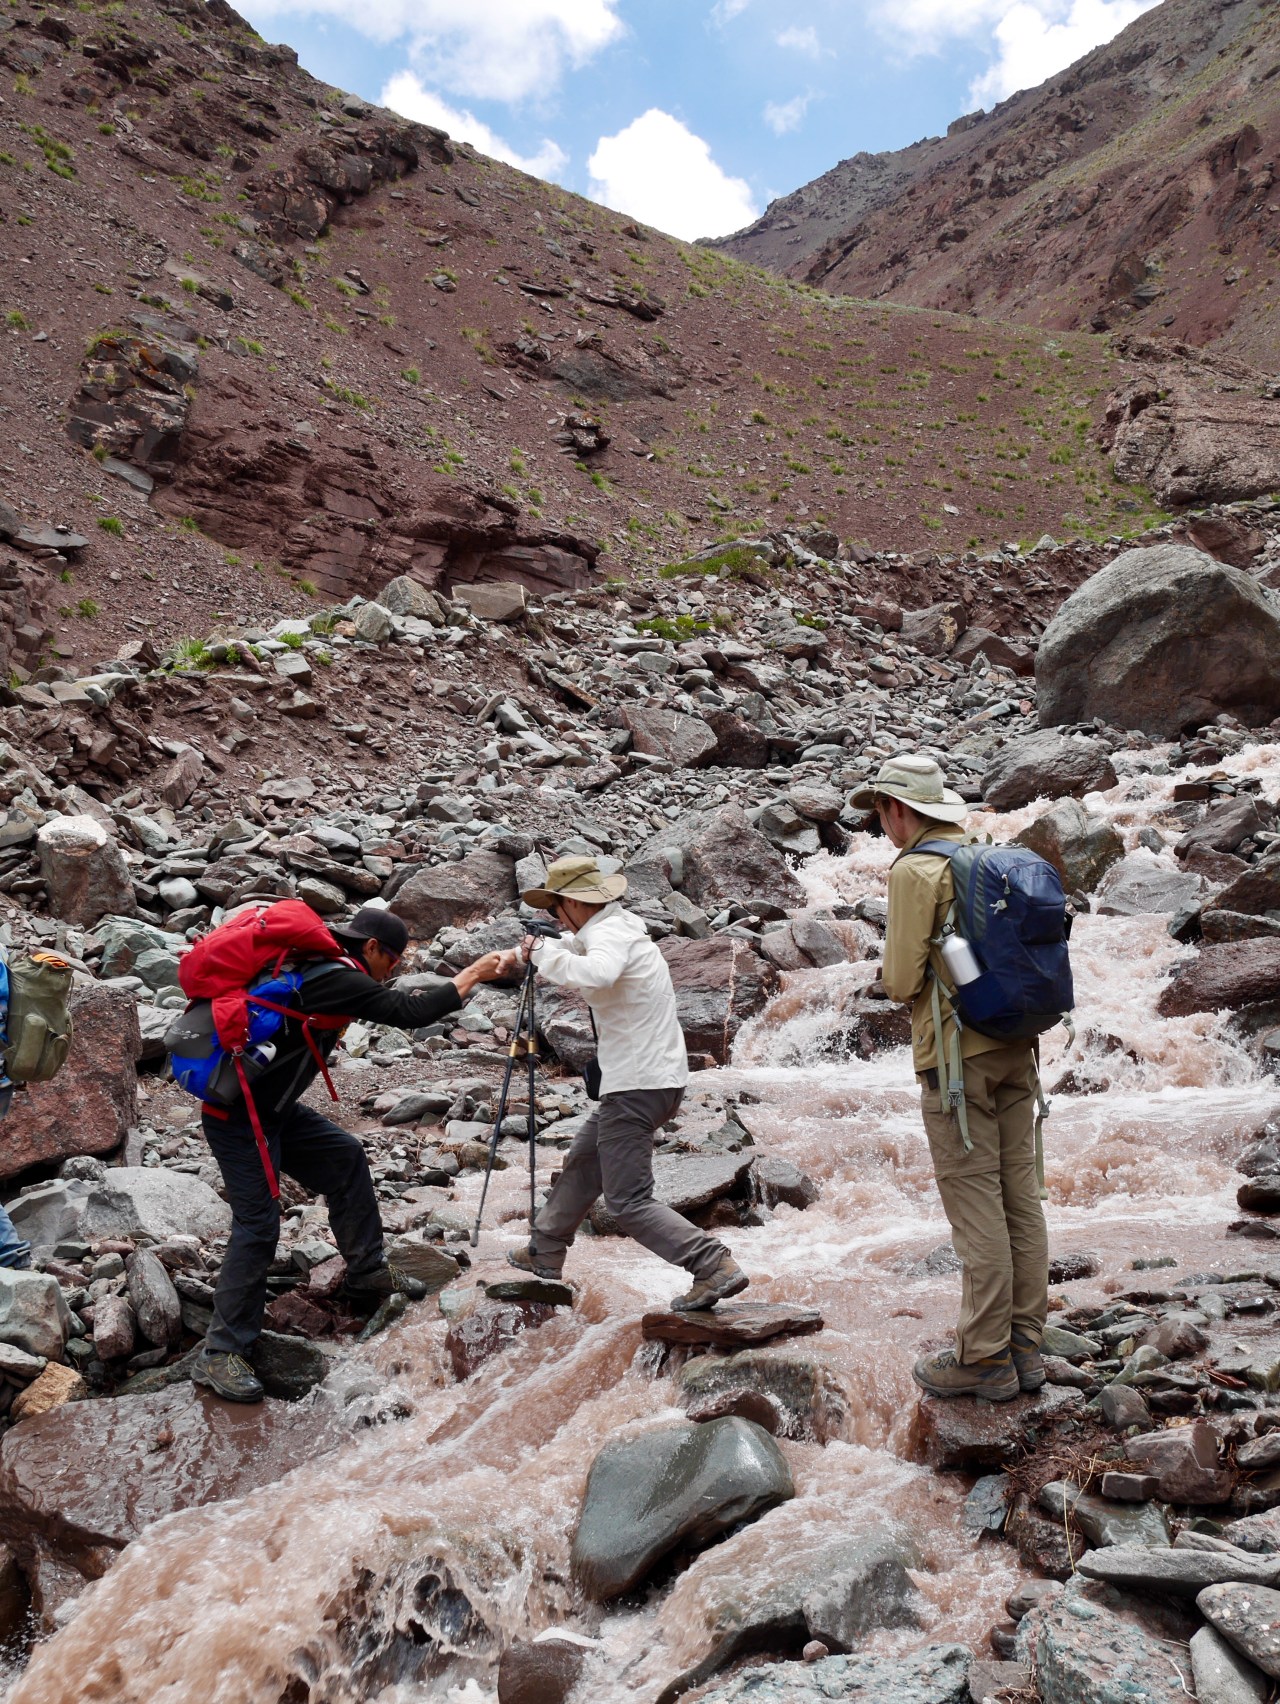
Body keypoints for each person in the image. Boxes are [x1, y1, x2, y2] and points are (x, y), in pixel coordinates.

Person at [193, 906, 508, 1403]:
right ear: (372, 948)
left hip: (272, 1109)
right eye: (393, 962)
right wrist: (474, 973)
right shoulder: (337, 978)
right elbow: (410, 1012)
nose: (391, 973)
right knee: (258, 1225)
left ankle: (366, 1272)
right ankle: (220, 1352)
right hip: (241, 1116)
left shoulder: (320, 969)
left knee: (345, 1158)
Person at [851, 754, 1048, 1403]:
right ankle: (1025, 1346)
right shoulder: (985, 855)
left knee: (976, 1209)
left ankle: (984, 1358)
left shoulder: (915, 870)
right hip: (1017, 1047)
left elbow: (901, 980)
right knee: (1020, 1200)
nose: (881, 824)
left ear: (898, 810)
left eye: (880, 812)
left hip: (959, 1062)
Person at [502, 855, 748, 1311]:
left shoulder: (610, 935)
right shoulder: (616, 929)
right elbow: (582, 952)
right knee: (585, 1159)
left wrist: (541, 954)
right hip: (648, 1081)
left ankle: (712, 1264)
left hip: (638, 1084)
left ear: (575, 903)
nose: (555, 917)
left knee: (627, 1201)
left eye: (556, 907)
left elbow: (597, 971)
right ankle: (545, 1249)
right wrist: (534, 950)